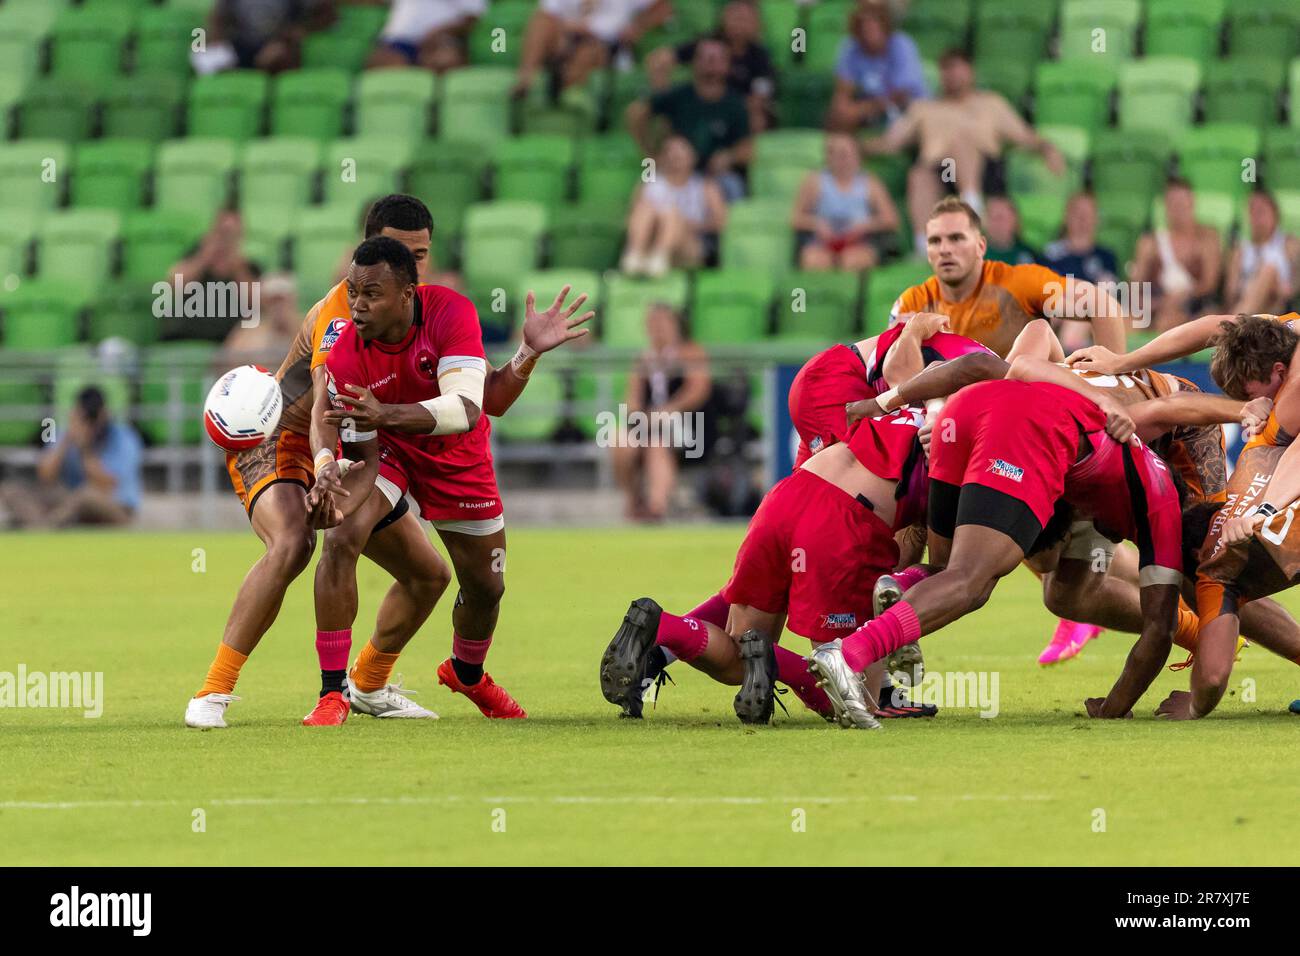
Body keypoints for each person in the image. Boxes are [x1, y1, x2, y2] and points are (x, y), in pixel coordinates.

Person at [184, 195, 591, 729]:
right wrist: (327, 460)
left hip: (368, 437)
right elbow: (328, 411)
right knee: (297, 542)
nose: (413, 269)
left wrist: (524, 356)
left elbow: (474, 399)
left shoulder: (432, 308)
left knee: (429, 576)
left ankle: (369, 684)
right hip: (281, 438)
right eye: (402, 254)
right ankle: (215, 691)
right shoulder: (347, 319)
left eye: (420, 256)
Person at [809, 371, 1185, 729]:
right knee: (971, 582)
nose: (1112, 539)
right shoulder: (1163, 510)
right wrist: (1115, 708)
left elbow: (1016, 365)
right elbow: (1159, 630)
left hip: (963, 410)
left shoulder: (1125, 461)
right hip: (1021, 431)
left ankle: (904, 586)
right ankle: (848, 655)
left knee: (945, 569)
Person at [600, 403, 930, 726]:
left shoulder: (906, 407)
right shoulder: (954, 439)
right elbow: (947, 565)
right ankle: (774, 660)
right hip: (842, 520)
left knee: (737, 659)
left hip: (785, 497)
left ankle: (662, 627)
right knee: (854, 698)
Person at [862, 49, 1064, 255]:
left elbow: (1026, 136)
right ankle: (925, 247)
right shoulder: (924, 108)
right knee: (919, 175)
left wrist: (1047, 148)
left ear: (971, 71)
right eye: (947, 69)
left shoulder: (991, 103)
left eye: (958, 68)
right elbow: (890, 142)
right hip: (941, 175)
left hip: (982, 173)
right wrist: (858, 147)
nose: (953, 75)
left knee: (959, 143)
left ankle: (972, 212)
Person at [612, 304, 712, 522]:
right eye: (653, 323)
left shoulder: (690, 352)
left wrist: (668, 409)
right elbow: (633, 398)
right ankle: (634, 498)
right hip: (650, 423)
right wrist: (639, 417)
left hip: (689, 424)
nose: (658, 329)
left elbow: (697, 390)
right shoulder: (644, 359)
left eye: (663, 322)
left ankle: (657, 505)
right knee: (620, 440)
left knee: (657, 444)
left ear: (676, 325)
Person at [628, 37, 752, 200]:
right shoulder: (678, 95)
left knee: (733, 184)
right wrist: (649, 154)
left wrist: (730, 156)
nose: (711, 63)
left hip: (715, 176)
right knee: (648, 179)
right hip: (676, 168)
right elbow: (635, 112)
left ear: (727, 65)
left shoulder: (735, 104)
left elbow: (748, 148)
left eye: (717, 59)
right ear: (694, 63)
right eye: (705, 58)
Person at [0, 387, 141, 529]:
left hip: (114, 505)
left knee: (86, 495)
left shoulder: (123, 437)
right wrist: (67, 439)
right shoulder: (64, 433)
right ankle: (42, 525)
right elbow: (45, 476)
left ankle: (44, 527)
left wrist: (84, 448)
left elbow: (106, 485)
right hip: (68, 503)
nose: (89, 422)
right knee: (11, 491)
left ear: (104, 414)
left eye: (92, 417)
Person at [647, 0, 776, 133]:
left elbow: (763, 87)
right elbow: (660, 60)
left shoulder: (759, 55)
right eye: (736, 18)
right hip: (701, 103)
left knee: (757, 117)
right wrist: (663, 95)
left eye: (745, 19)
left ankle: (742, 150)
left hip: (738, 107)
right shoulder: (707, 43)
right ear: (724, 18)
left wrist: (746, 105)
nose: (740, 24)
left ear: (755, 23)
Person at [514, 0, 673, 97]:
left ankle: (560, 92)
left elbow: (664, 7)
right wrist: (566, 30)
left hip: (604, 45)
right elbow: (548, 14)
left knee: (587, 52)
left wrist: (637, 27)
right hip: (567, 39)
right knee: (541, 22)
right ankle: (526, 78)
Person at [792, 132, 900, 272]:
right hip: (822, 242)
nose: (842, 160)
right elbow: (796, 218)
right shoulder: (815, 181)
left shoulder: (870, 183)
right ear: (828, 157)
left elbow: (891, 220)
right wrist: (817, 224)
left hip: (858, 242)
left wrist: (864, 226)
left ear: (858, 157)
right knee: (815, 261)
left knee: (853, 261)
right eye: (836, 155)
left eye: (846, 154)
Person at [619, 136, 727, 276]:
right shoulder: (649, 183)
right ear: (662, 157)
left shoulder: (706, 186)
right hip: (651, 239)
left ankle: (660, 257)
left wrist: (693, 225)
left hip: (688, 243)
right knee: (645, 207)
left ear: (692, 156)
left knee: (671, 213)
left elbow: (721, 222)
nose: (674, 156)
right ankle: (635, 255)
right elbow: (633, 217)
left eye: (680, 151)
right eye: (669, 151)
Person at [1130, 178, 1223, 331]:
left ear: (1192, 203)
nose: (1178, 208)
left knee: (1174, 321)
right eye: (1173, 203)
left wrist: (1181, 297)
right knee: (1123, 322)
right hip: (1158, 304)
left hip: (1197, 304)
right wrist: (1154, 303)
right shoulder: (1150, 243)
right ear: (1165, 207)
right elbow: (1135, 285)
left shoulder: (1207, 238)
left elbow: (1209, 283)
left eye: (1182, 202)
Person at [827, 0, 927, 133]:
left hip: (906, 110)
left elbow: (901, 95)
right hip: (870, 112)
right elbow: (843, 90)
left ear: (885, 26)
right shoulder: (850, 47)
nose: (868, 29)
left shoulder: (902, 44)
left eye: (874, 24)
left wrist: (860, 110)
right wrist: (842, 109)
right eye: (864, 25)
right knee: (836, 114)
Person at [166, 210, 263, 343]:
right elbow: (173, 284)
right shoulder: (195, 258)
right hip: (185, 335)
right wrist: (204, 258)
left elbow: (257, 303)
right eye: (222, 233)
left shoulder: (248, 267)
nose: (226, 241)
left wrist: (237, 268)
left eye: (232, 235)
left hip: (230, 341)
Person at [200, 0, 337, 74]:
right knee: (204, 56)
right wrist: (215, 42)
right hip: (242, 44)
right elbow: (218, 18)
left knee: (279, 57)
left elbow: (327, 13)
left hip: (279, 44)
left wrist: (299, 31)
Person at [1224, 190, 1300, 317]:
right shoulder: (1240, 249)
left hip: (1277, 305)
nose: (1256, 217)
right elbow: (1230, 292)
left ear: (1275, 214)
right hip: (1245, 300)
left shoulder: (1289, 244)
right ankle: (1239, 322)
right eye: (1252, 211)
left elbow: (1293, 286)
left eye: (1261, 211)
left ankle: (1235, 326)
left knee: (1268, 270)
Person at [367, 0, 484, 71]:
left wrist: (438, 32)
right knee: (380, 66)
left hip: (441, 40)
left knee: (445, 61)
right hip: (398, 40)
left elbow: (473, 18)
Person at [216, 272, 299, 367]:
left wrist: (291, 327)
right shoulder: (249, 330)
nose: (277, 306)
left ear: (292, 300)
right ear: (264, 301)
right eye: (272, 301)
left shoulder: (307, 327)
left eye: (281, 300)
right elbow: (227, 361)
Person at [982, 195, 1036, 266]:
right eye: (991, 217)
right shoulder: (974, 254)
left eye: (1000, 217)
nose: (996, 223)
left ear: (1015, 220)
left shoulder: (1028, 254)